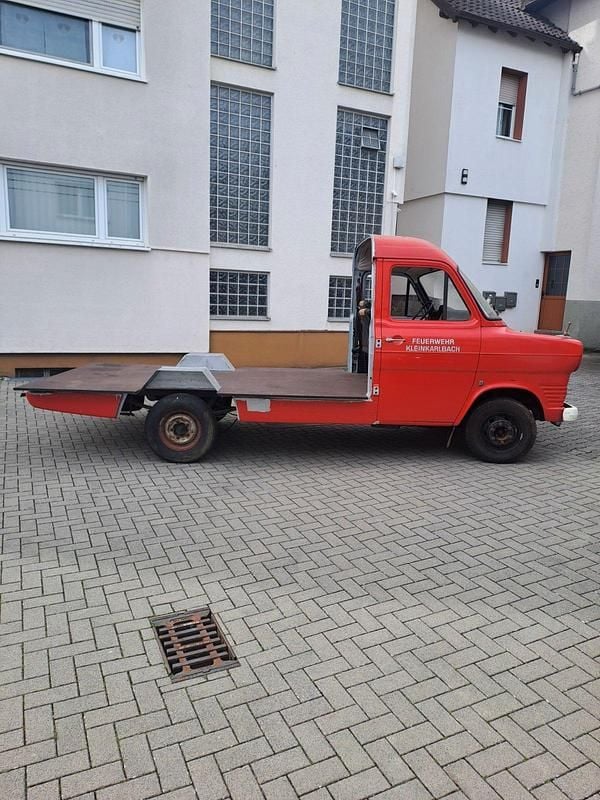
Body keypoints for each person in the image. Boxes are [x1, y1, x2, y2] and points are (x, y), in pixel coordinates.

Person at [357, 299, 371, 373]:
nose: (359, 308)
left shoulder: (367, 313)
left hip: (368, 341)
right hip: (365, 341)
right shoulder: (362, 314)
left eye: (360, 306)